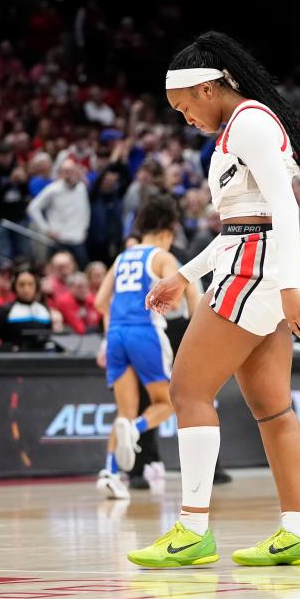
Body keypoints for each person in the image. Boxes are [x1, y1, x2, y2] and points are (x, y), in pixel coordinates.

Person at [129, 31, 300, 568]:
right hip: (258, 260)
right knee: (271, 406)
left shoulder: (250, 122)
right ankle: (297, 531)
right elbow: (241, 225)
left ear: (207, 87)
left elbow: (285, 211)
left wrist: (290, 284)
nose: (184, 118)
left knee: (187, 388)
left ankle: (193, 529)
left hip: (262, 269)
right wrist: (185, 275)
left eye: (184, 106)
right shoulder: (242, 127)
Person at [94, 196, 199, 500]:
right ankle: (138, 428)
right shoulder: (162, 257)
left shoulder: (123, 256)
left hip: (115, 333)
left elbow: (101, 301)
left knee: (123, 410)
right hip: (144, 333)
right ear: (167, 232)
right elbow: (185, 294)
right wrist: (193, 322)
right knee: (165, 404)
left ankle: (111, 473)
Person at [27, 160, 90, 267]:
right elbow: (33, 208)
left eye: (71, 171)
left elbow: (85, 209)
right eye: (65, 172)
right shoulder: (53, 189)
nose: (68, 175)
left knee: (82, 271)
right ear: (60, 173)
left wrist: (85, 227)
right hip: (59, 240)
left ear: (76, 172)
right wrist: (46, 229)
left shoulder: (81, 188)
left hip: (77, 239)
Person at [0, 269, 53, 352]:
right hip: (13, 361)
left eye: (30, 284)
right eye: (21, 284)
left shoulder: (44, 310)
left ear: (36, 286)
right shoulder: (4, 311)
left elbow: (49, 338)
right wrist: (9, 349)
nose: (26, 289)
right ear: (15, 287)